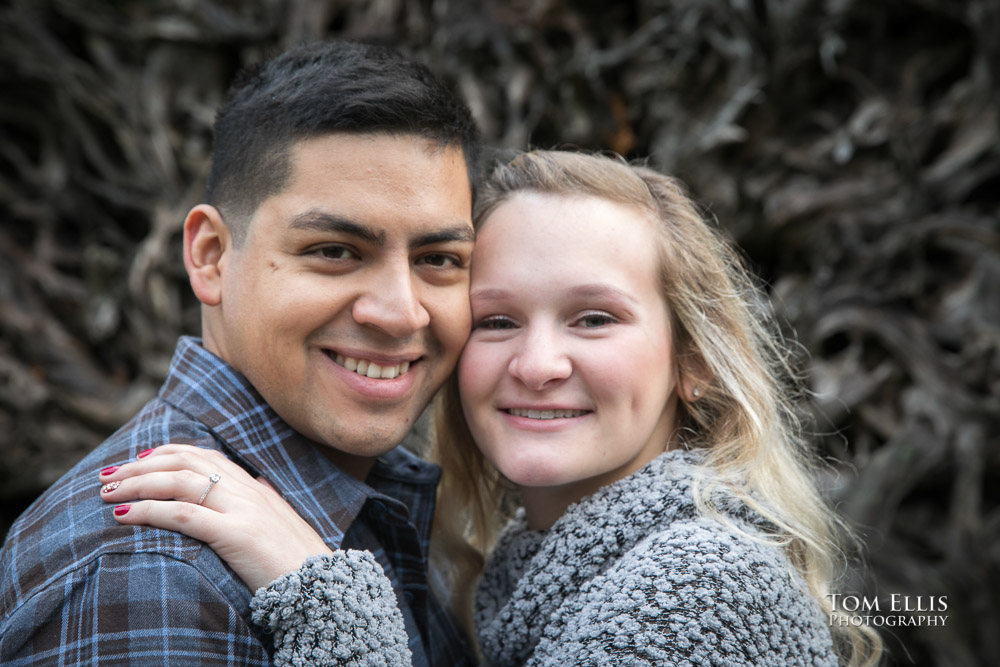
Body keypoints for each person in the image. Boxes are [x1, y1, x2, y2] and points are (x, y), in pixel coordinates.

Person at [92, 151, 882, 666]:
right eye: (498, 320)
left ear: (694, 362)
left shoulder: (709, 579)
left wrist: (321, 592)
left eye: (594, 318)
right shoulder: (517, 578)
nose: (538, 365)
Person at [0, 40, 481, 666]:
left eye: (439, 260)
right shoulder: (154, 574)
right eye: (335, 250)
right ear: (210, 255)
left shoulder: (384, 510)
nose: (401, 312)